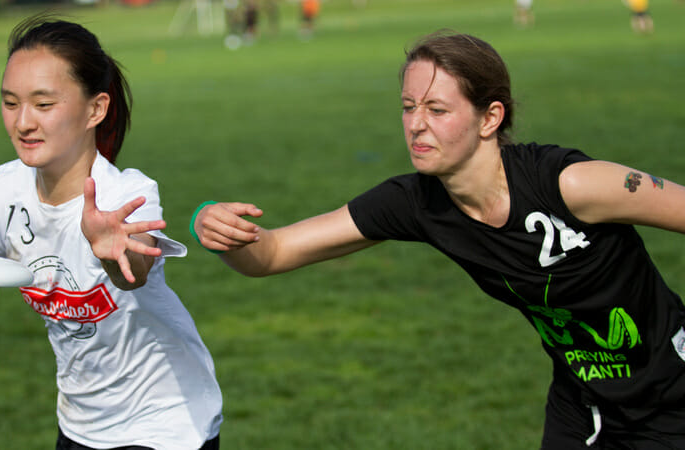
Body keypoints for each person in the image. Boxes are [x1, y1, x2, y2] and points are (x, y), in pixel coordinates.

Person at [191, 31, 685, 448]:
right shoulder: (417, 203)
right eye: (408, 107)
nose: (416, 124)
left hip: (673, 395)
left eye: (437, 109)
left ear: (490, 118)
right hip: (583, 402)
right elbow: (272, 253)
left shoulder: (570, 184)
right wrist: (217, 228)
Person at [0, 15, 222, 450]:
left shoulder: (127, 194)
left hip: (167, 422)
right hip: (80, 424)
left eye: (43, 105)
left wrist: (108, 252)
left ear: (95, 109)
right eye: (10, 103)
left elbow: (133, 272)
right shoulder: (0, 195)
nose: (23, 122)